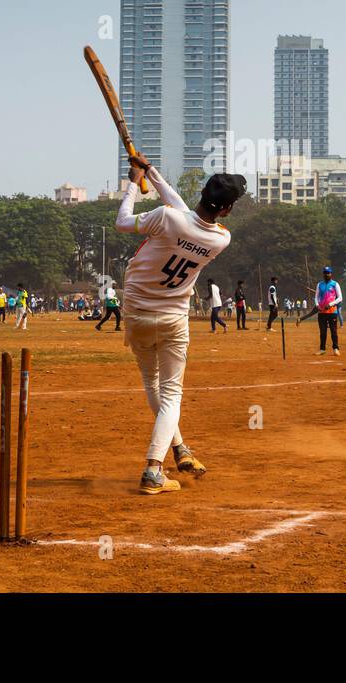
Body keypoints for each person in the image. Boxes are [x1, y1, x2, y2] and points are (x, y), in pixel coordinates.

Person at [113, 152, 244, 495]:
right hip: (173, 318)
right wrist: (151, 174)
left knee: (154, 386)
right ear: (226, 210)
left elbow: (123, 221)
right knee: (171, 395)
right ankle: (154, 470)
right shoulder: (220, 239)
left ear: (203, 193)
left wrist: (133, 184)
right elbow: (185, 216)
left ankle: (181, 450)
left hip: (136, 314)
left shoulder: (165, 218)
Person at [314, 266, 342, 357]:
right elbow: (316, 297)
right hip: (322, 312)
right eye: (325, 273)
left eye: (328, 273)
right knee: (323, 332)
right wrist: (317, 305)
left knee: (333, 331)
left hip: (332, 312)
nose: (327, 274)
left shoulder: (335, 284)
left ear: (331, 274)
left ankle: (336, 349)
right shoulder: (319, 284)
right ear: (323, 274)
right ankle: (322, 349)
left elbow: (340, 298)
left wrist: (331, 304)